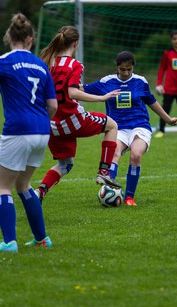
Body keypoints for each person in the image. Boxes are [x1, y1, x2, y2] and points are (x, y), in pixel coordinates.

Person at [35, 25, 122, 203]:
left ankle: (40, 191)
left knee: (65, 164)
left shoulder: (47, 63)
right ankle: (104, 172)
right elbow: (72, 93)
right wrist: (101, 98)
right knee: (112, 126)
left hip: (52, 124)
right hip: (73, 120)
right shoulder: (75, 65)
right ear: (75, 43)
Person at [82, 51, 177, 206]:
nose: (126, 73)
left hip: (139, 126)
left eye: (129, 69)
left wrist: (167, 119)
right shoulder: (107, 81)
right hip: (117, 128)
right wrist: (64, 85)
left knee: (136, 155)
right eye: (122, 70)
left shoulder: (140, 81)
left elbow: (151, 102)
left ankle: (129, 198)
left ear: (133, 68)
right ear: (117, 68)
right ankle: (110, 190)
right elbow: (82, 88)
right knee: (115, 153)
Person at [0, 13, 58, 252]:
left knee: (3, 186)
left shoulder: (4, 61)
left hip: (17, 130)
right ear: (31, 40)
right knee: (24, 184)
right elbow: (53, 106)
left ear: (8, 37)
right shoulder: (41, 65)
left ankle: (10, 242)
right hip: (42, 130)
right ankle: (42, 238)